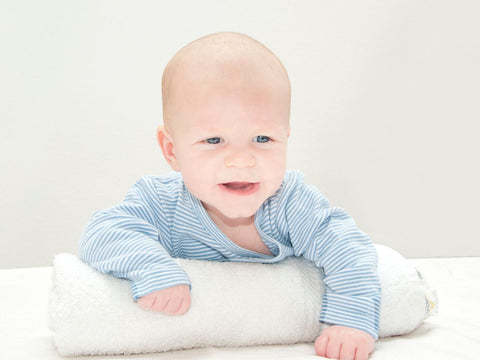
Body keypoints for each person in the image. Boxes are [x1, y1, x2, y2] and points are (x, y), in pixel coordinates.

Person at [79, 32, 381, 360]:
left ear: (286, 137)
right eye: (213, 140)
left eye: (262, 138)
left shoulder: (292, 204)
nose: (241, 160)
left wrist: (350, 323)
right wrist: (153, 268)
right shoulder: (162, 204)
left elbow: (350, 252)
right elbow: (102, 232)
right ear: (171, 149)